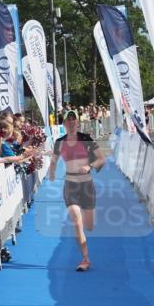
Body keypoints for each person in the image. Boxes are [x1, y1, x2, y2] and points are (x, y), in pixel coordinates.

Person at [49, 110, 105, 272]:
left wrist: (90, 166)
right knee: (76, 220)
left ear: (78, 123)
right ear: (64, 124)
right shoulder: (59, 142)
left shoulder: (86, 139)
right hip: (70, 185)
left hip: (87, 185)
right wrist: (52, 171)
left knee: (89, 226)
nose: (72, 122)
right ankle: (85, 259)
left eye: (74, 120)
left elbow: (102, 159)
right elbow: (54, 160)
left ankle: (87, 233)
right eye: (69, 120)